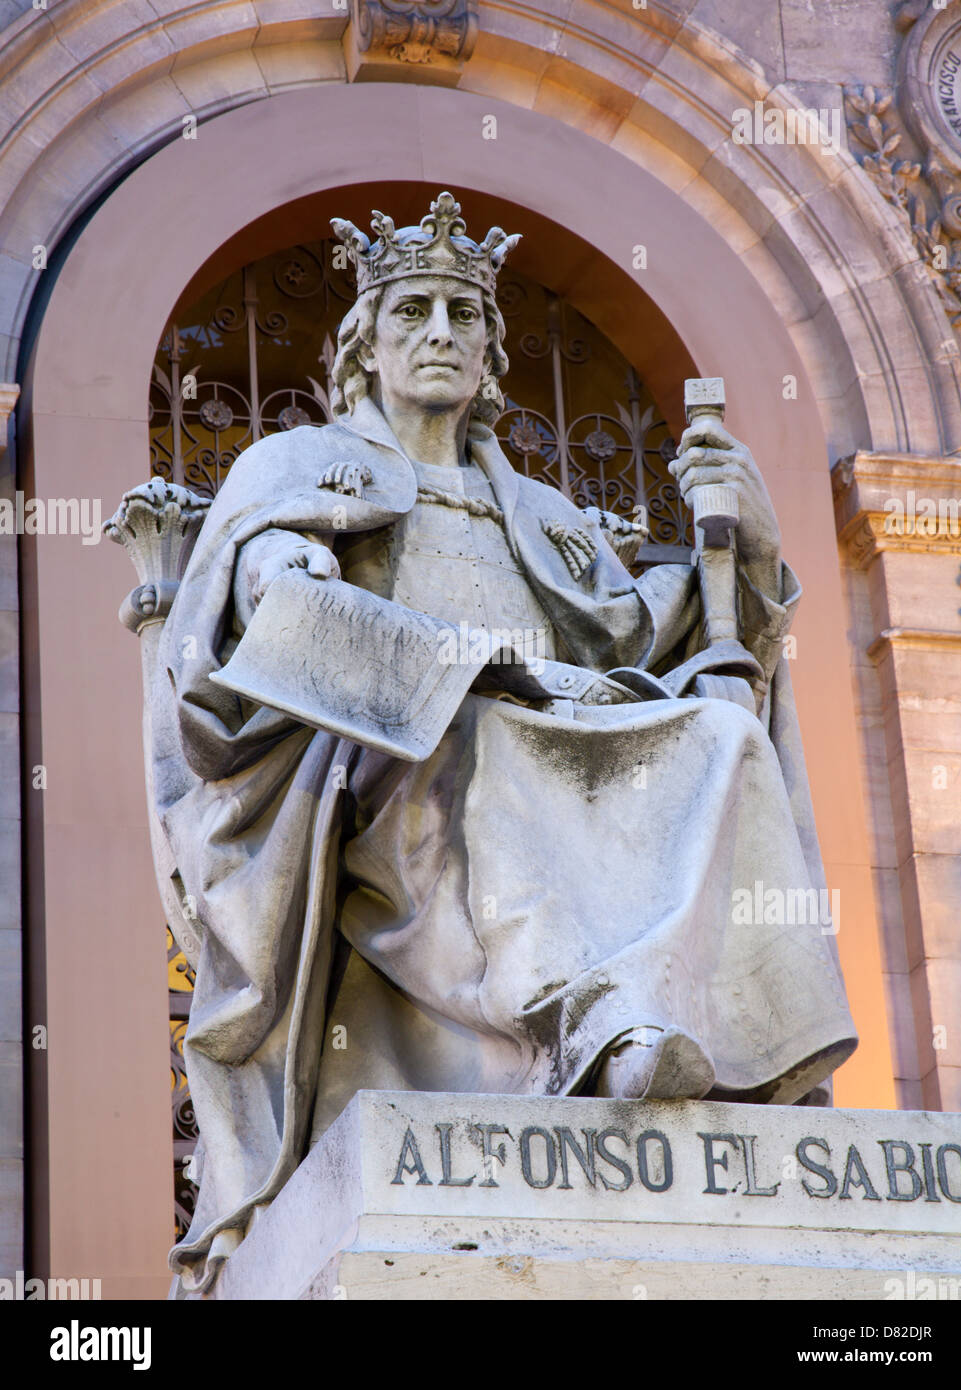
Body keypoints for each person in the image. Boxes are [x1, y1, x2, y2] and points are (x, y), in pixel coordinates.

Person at [157, 192, 857, 1294]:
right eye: (413, 313)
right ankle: (597, 1019)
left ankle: (742, 1052)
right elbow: (278, 621)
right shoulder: (295, 473)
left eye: (462, 315)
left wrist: (753, 553)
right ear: (366, 348)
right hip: (385, 768)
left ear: (489, 350)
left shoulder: (543, 515)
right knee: (482, 731)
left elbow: (653, 633)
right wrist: (458, 665)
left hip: (563, 726)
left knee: (723, 734)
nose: (441, 331)